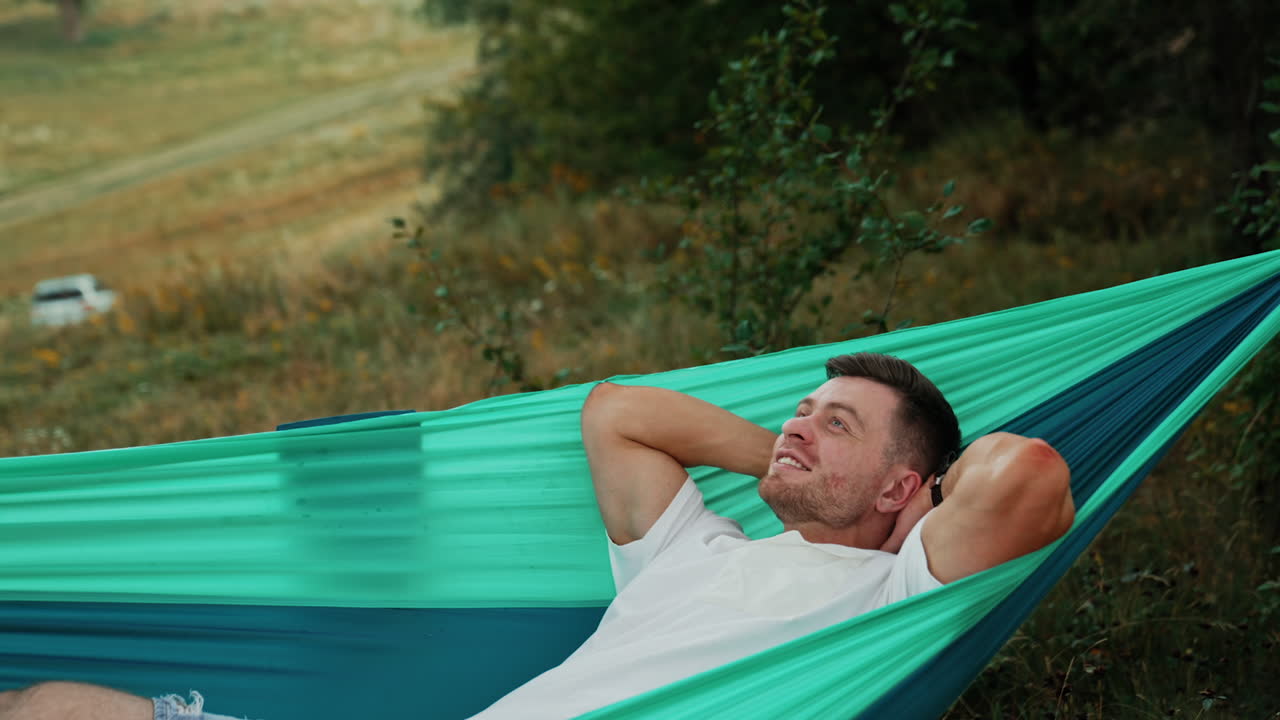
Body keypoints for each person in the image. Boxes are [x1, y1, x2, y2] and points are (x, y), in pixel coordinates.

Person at [0, 353, 1073, 720]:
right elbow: (617, 412)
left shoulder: (894, 598)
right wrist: (791, 464)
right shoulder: (698, 553)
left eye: (833, 423)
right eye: (800, 409)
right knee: (49, 706)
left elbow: (1027, 476)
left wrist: (909, 514)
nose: (796, 423)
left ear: (904, 486)